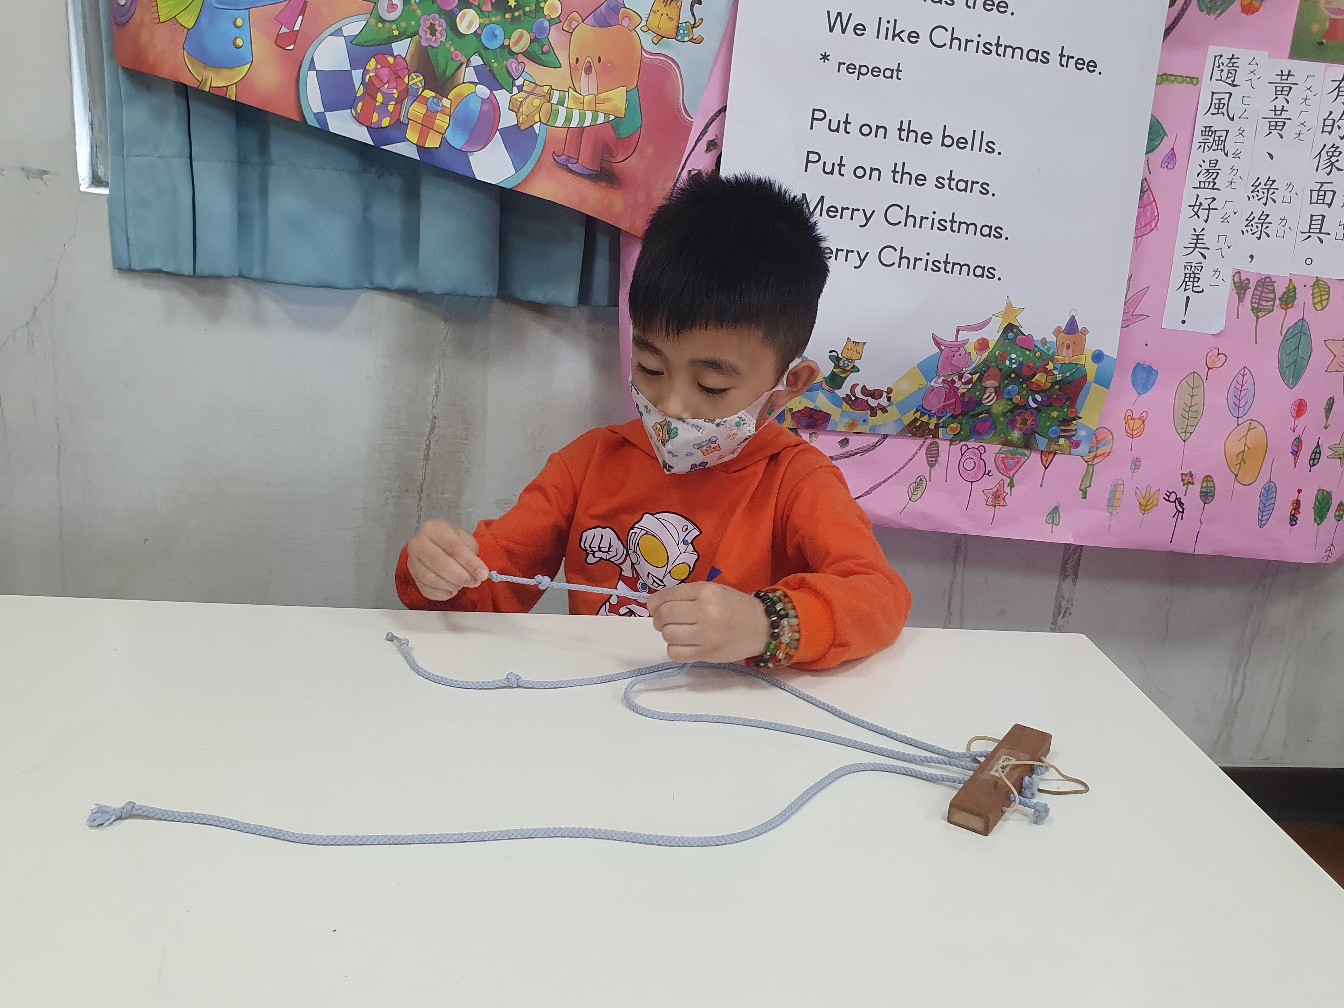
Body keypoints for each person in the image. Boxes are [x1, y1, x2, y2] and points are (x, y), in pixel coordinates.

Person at [396, 173, 911, 670]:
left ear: (789, 384)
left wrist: (764, 624)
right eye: (651, 368)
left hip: (731, 715)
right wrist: (440, 572)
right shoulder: (590, 463)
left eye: (711, 385)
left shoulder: (797, 482)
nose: (673, 404)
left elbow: (879, 596)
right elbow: (486, 591)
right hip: (597, 706)